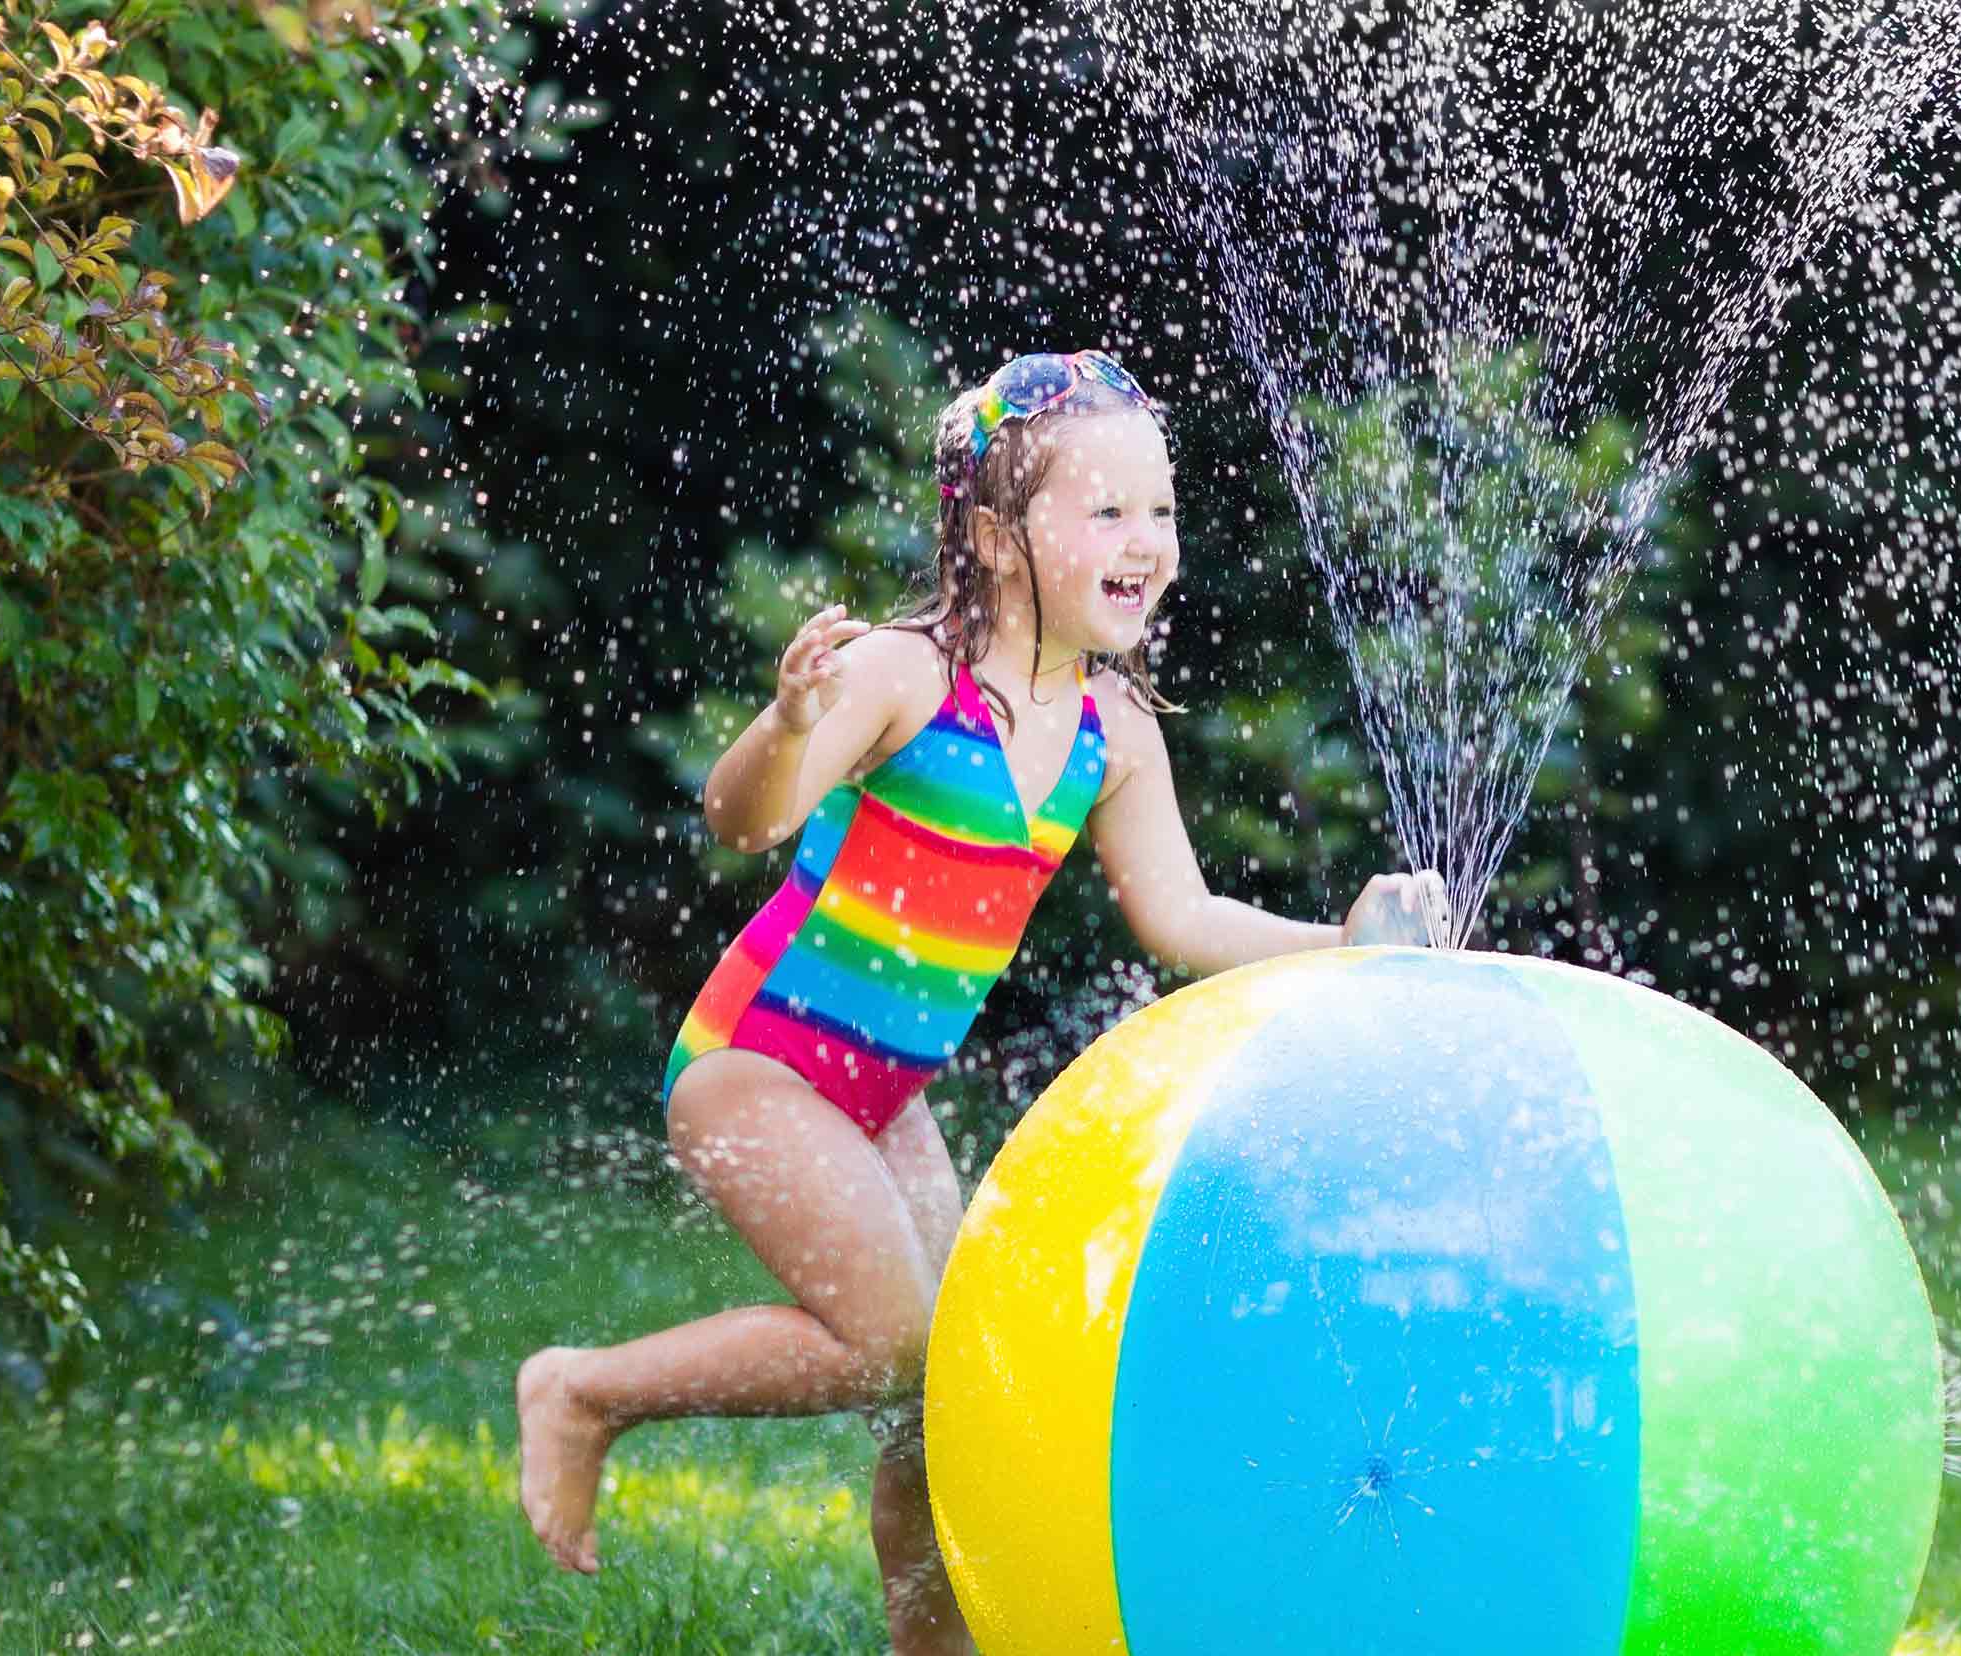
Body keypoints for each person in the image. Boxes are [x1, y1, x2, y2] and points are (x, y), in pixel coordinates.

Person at [510, 347, 1450, 1655]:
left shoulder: (1115, 731)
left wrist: (1338, 939)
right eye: (1108, 512)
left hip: (882, 1099)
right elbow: (744, 820)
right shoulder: (905, 676)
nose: (1148, 542)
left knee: (941, 1395)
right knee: (891, 1345)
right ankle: (584, 1394)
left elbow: (1180, 918)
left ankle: (932, 1644)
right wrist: (786, 727)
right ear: (1000, 537)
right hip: (762, 1063)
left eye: (1161, 511)